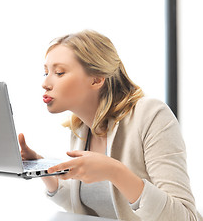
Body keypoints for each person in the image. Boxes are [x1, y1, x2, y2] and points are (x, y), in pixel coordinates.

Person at [18, 30, 203, 221]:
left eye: (59, 73)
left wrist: (114, 172)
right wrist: (41, 167)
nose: (45, 83)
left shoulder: (151, 114)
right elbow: (90, 208)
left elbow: (185, 217)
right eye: (45, 72)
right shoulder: (81, 128)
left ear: (97, 79)